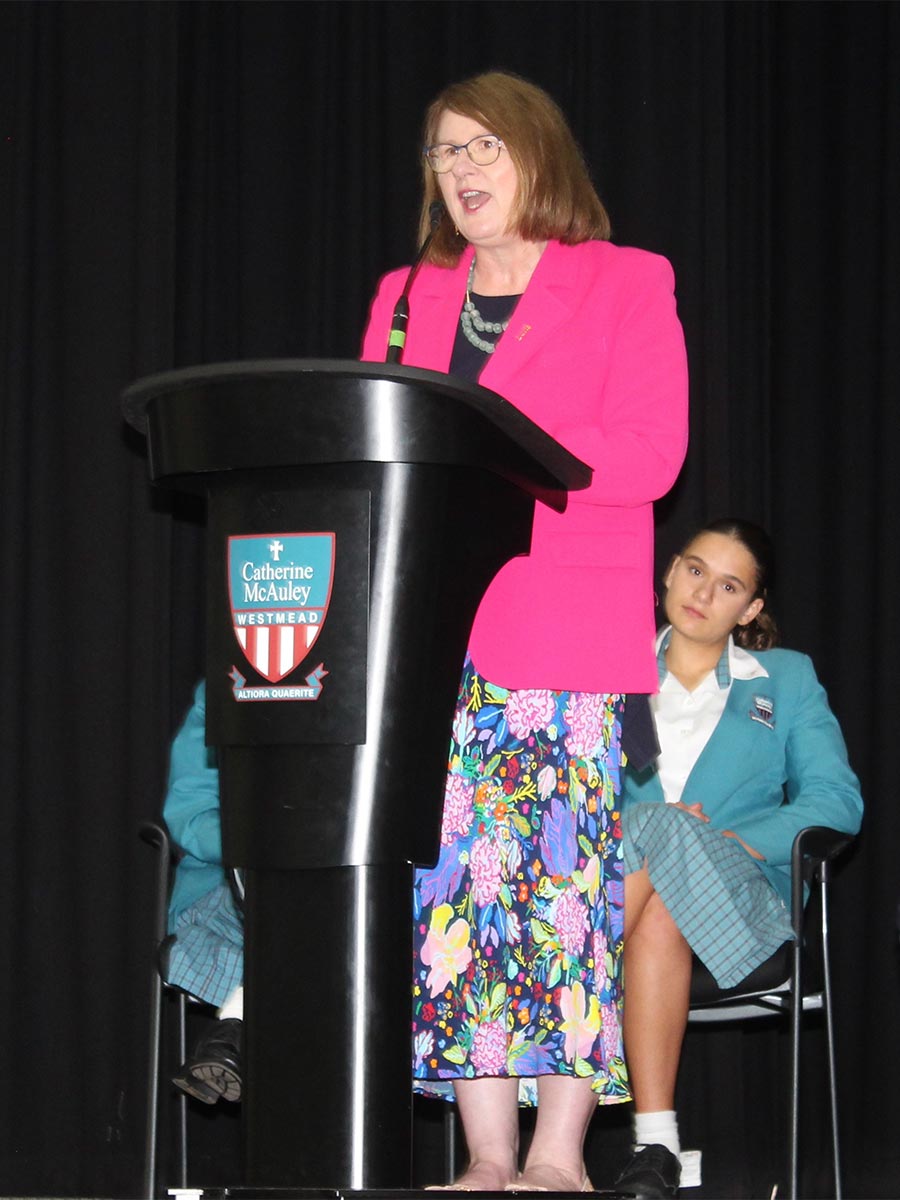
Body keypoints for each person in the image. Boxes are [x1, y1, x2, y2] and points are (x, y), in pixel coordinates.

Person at [360, 70, 688, 1193]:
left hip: (562, 633)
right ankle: (486, 1156)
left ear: (538, 156)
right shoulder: (409, 294)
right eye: (446, 153)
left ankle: (558, 1157)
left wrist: (498, 436)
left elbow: (650, 456)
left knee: (556, 893)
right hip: (430, 639)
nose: (461, 171)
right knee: (452, 896)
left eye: (484, 148)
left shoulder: (625, 283)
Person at [614, 519, 863, 1198]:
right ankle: (656, 1145)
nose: (702, 593)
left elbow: (836, 802)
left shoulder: (784, 680)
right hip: (638, 897)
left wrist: (732, 843)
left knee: (669, 840)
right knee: (659, 882)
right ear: (668, 572)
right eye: (694, 570)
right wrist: (656, 828)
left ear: (751, 609)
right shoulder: (608, 670)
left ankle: (557, 981)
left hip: (744, 901)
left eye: (728, 586)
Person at [162, 681, 244, 1106]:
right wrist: (259, 842)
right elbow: (189, 810)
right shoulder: (228, 685)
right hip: (227, 888)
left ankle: (235, 1026)